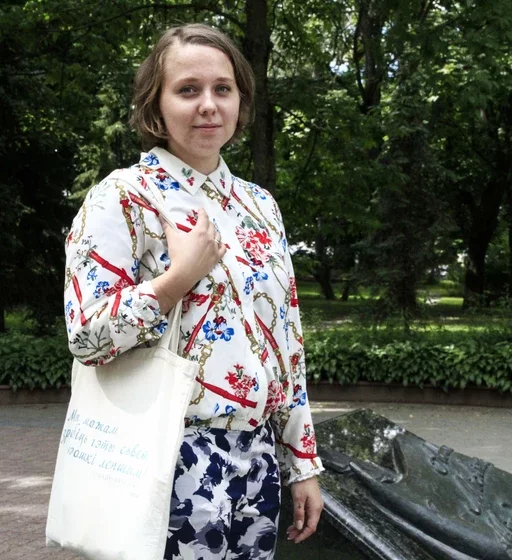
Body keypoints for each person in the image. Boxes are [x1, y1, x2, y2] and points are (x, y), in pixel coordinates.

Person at [63, 23, 324, 559]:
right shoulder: (123, 197)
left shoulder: (260, 206)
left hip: (257, 460)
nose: (208, 105)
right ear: (155, 107)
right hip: (166, 455)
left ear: (240, 101)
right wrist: (176, 280)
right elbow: (85, 336)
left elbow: (287, 342)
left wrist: (301, 462)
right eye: (188, 90)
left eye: (222, 89)